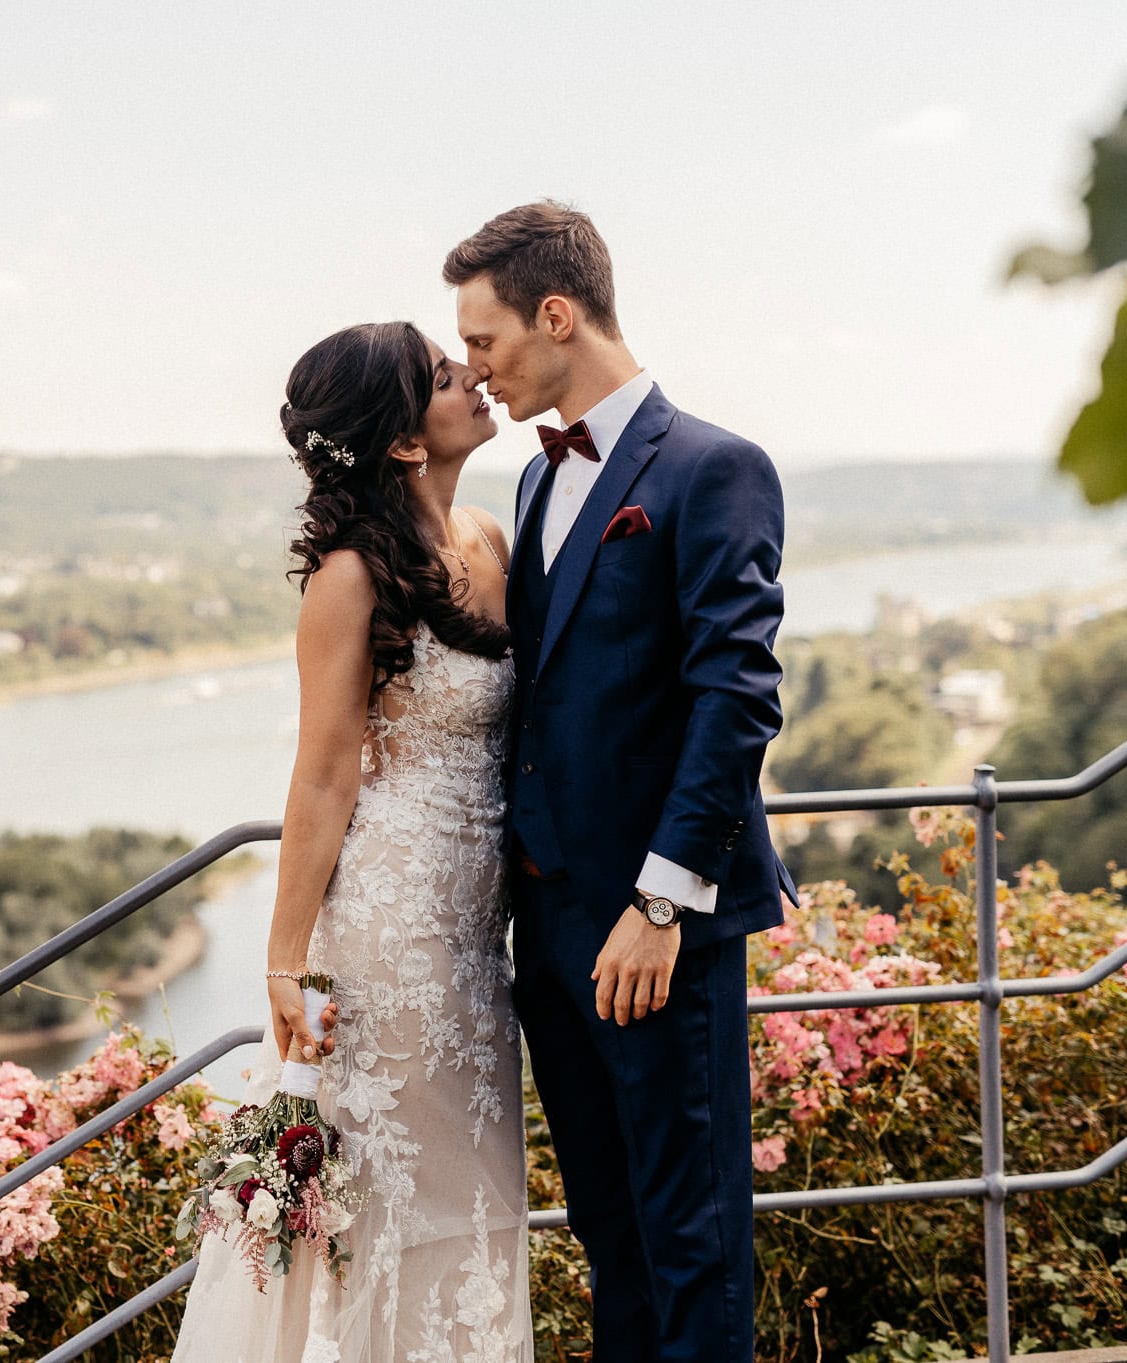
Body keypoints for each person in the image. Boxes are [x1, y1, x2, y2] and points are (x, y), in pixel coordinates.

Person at [446, 200, 797, 1363]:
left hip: (657, 932)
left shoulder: (712, 468)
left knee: (689, 1236)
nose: (473, 366)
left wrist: (659, 905)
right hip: (548, 933)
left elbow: (734, 697)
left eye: (485, 338)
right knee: (609, 1229)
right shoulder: (540, 484)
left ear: (556, 314)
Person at [171, 321, 533, 1363]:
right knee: (402, 1208)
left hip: (476, 937)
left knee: (478, 1199)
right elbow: (324, 773)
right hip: (390, 938)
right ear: (404, 441)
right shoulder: (346, 577)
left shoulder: (491, 539)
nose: (471, 372)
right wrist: (285, 961)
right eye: (441, 373)